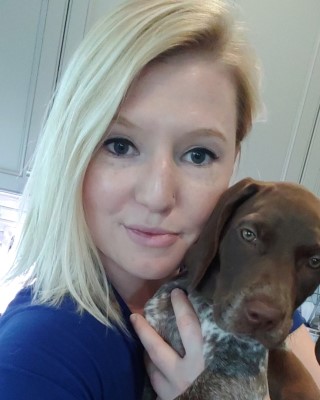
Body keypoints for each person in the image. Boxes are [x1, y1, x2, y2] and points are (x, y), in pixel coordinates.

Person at [0, 0, 318, 399]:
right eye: (120, 145)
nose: (157, 196)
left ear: (233, 163)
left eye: (198, 154)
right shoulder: (40, 358)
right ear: (71, 150)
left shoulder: (239, 284)